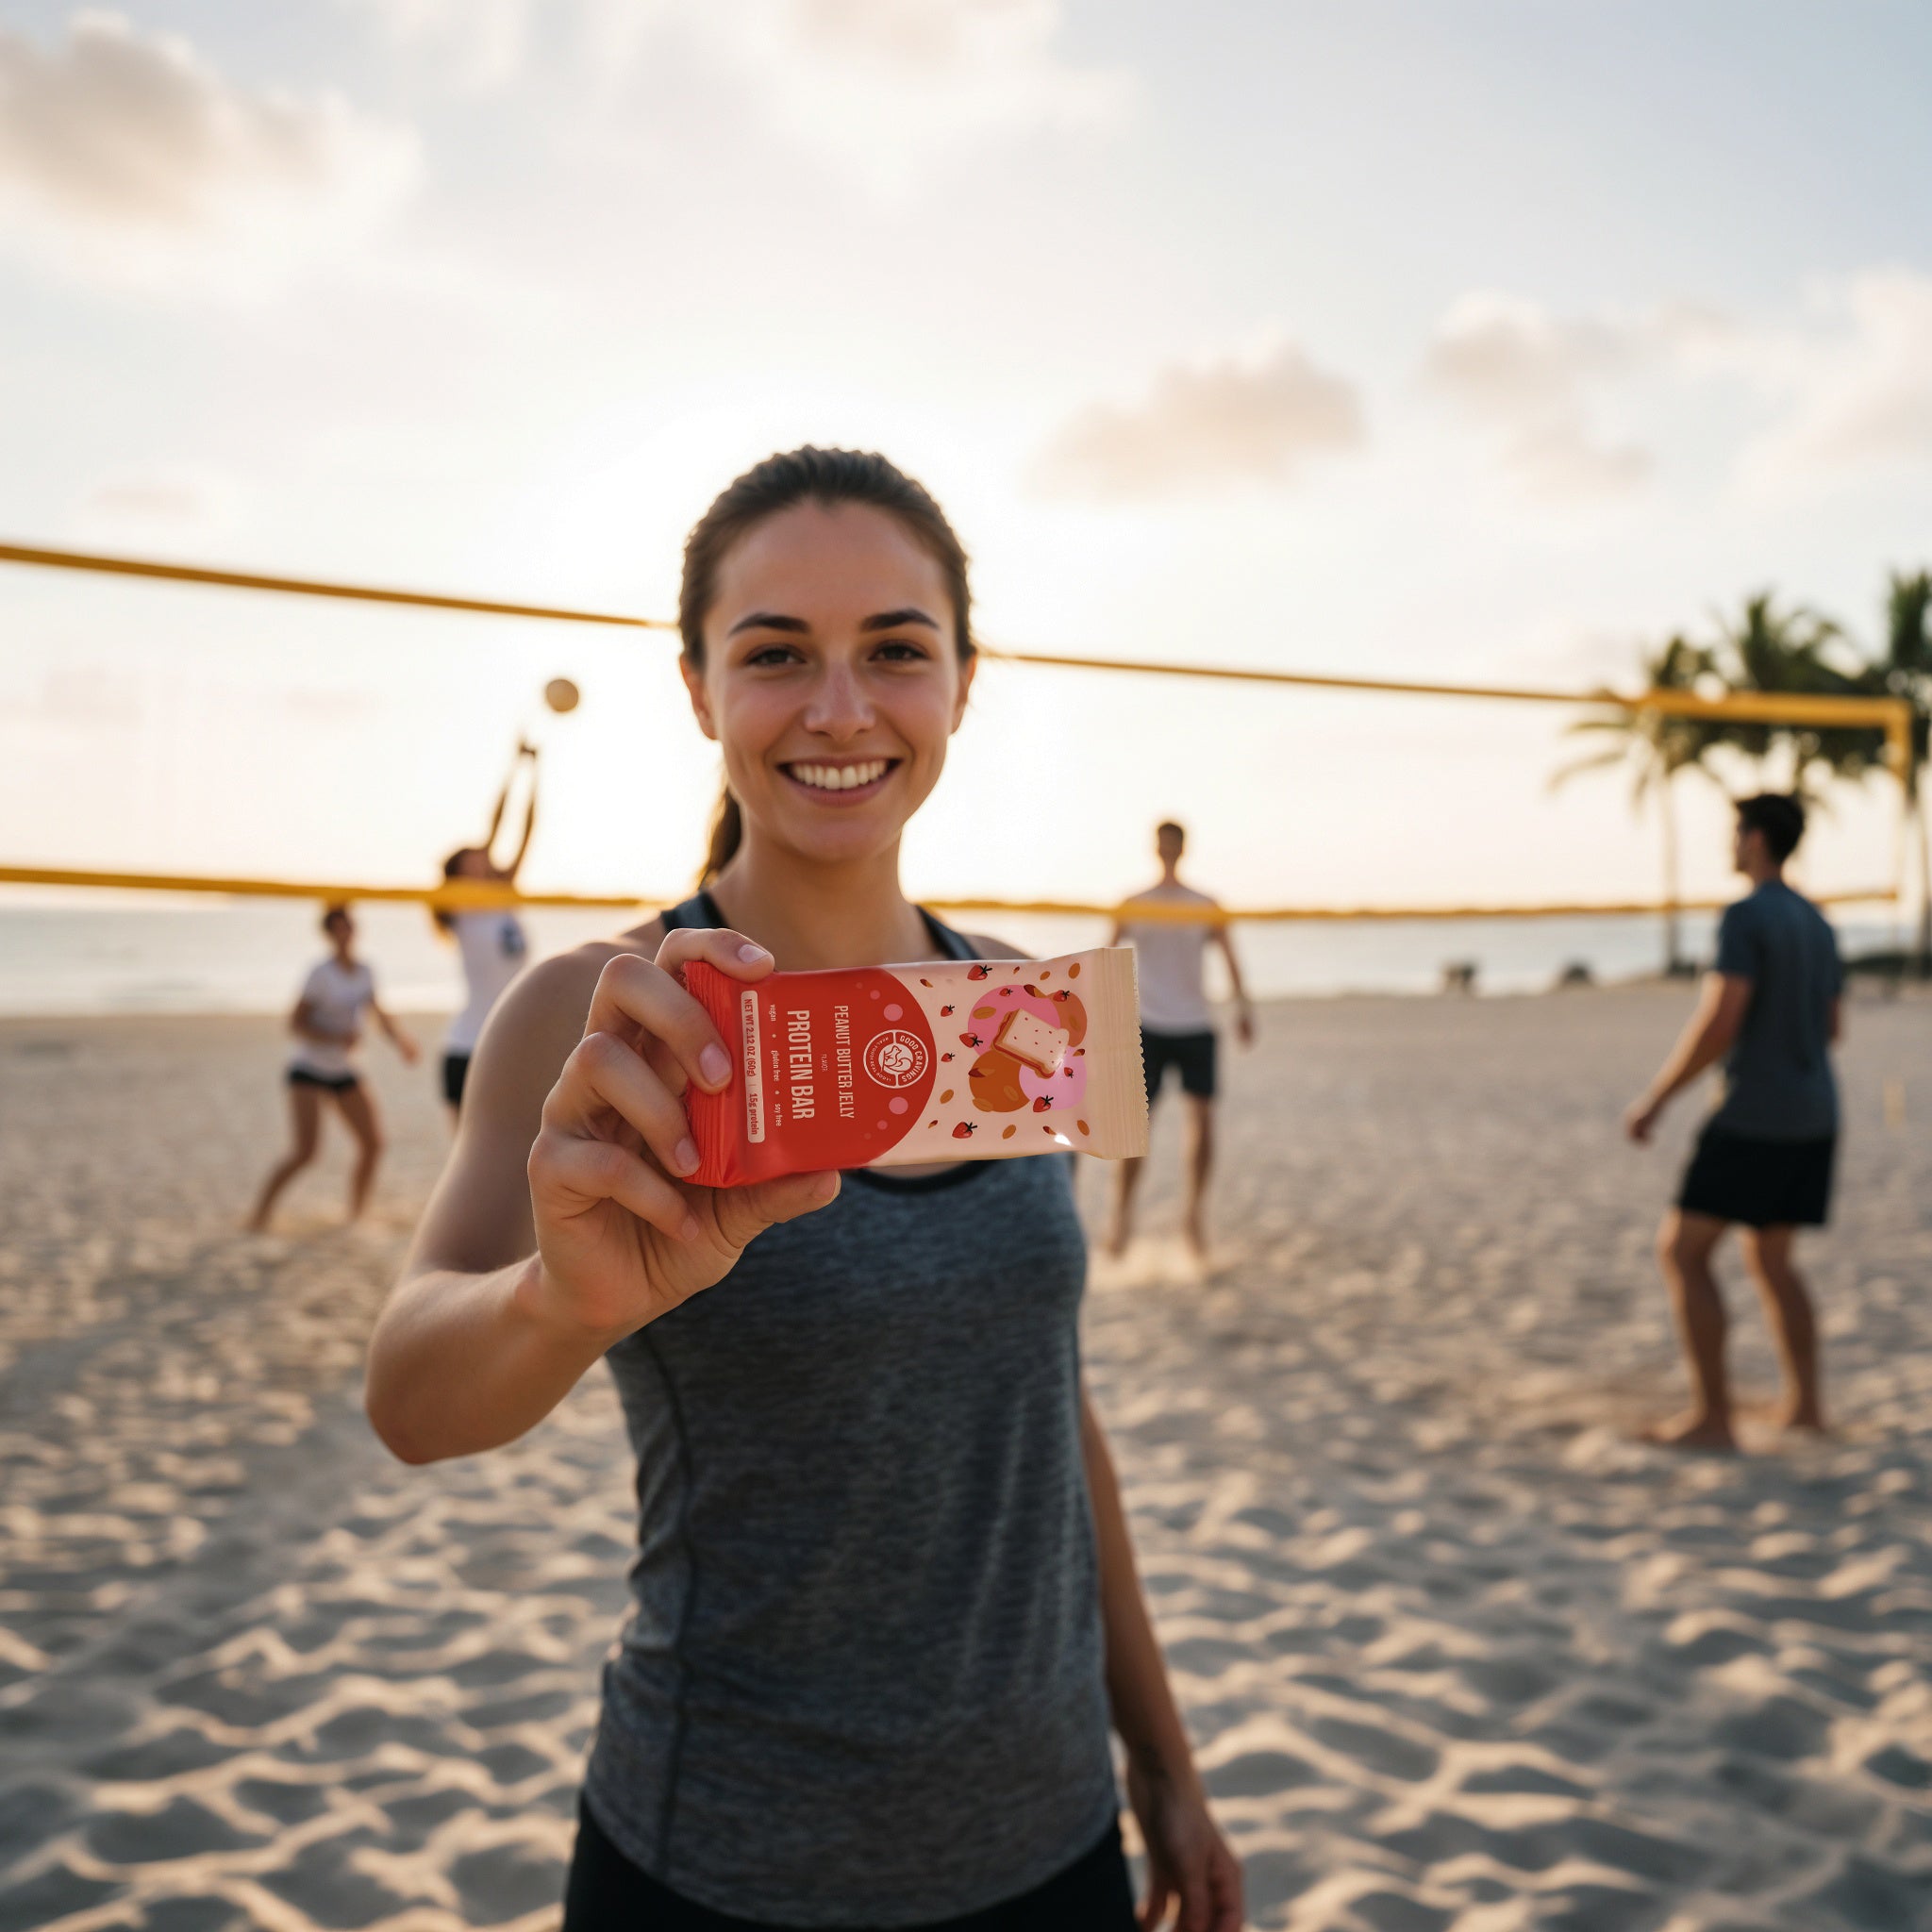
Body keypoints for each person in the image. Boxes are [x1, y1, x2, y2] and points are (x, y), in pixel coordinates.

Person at [365, 449, 1243, 1932]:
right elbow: (408, 1395)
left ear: (965, 681)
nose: (841, 708)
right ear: (701, 691)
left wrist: (1163, 1757)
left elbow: (1046, 1402)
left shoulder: (1022, 1017)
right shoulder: (604, 1012)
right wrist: (558, 1302)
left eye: (895, 650)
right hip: (719, 1860)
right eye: (777, 656)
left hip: (1052, 1839)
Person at [1624, 793, 1842, 1451]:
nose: (1729, 842)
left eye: (1734, 831)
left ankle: (1713, 1420)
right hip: (1816, 1112)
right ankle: (1806, 1409)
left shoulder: (1745, 916)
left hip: (1755, 1116)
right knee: (1773, 1260)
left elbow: (1721, 1021)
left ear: (1754, 840)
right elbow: (1833, 1027)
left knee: (1682, 1252)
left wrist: (1657, 1099)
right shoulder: (1818, 921)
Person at [1107, 821, 1253, 1260]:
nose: (1167, 850)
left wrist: (1243, 1006)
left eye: (1173, 844)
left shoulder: (1206, 905)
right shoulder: (1134, 903)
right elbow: (1108, 959)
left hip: (1195, 1023)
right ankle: (1123, 1216)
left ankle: (1193, 1217)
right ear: (1156, 848)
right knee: (1137, 1130)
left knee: (1203, 1121)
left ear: (1182, 849)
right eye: (1162, 843)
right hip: (1147, 1024)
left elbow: (1230, 956)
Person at [248, 904, 419, 1232]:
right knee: (305, 1152)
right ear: (329, 934)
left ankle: (356, 1214)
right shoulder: (320, 973)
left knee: (373, 1143)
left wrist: (401, 1040)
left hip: (344, 1069)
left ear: (355, 930)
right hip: (309, 1069)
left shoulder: (365, 970)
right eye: (338, 928)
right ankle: (260, 1215)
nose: (345, 933)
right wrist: (334, 1037)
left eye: (349, 926)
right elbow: (296, 1023)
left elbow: (378, 1013)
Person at [436, 741, 539, 1117]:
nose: (484, 857)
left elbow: (527, 831)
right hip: (467, 1047)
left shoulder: (503, 896)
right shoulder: (460, 908)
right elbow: (495, 828)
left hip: (508, 1046)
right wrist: (513, 767)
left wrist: (534, 773)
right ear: (459, 875)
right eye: (473, 859)